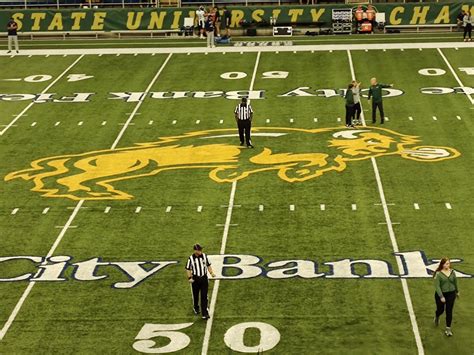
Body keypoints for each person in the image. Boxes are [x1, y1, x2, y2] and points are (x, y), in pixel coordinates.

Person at [185, 243, 216, 320]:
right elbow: (188, 269)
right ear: (195, 250)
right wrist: (189, 278)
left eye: (200, 250)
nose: (200, 251)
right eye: (199, 250)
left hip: (204, 278)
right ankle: (196, 307)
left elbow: (208, 265)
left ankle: (204, 313)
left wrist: (211, 273)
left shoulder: (205, 256)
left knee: (204, 296)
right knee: (195, 295)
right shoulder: (191, 258)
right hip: (195, 279)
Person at [433, 257, 459, 337]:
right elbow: (437, 286)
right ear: (442, 264)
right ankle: (437, 316)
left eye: (449, 263)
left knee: (449, 310)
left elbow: (455, 282)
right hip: (441, 294)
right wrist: (441, 296)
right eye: (446, 263)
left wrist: (457, 291)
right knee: (441, 310)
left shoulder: (452, 272)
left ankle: (448, 329)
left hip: (451, 294)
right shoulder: (438, 274)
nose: (448, 265)